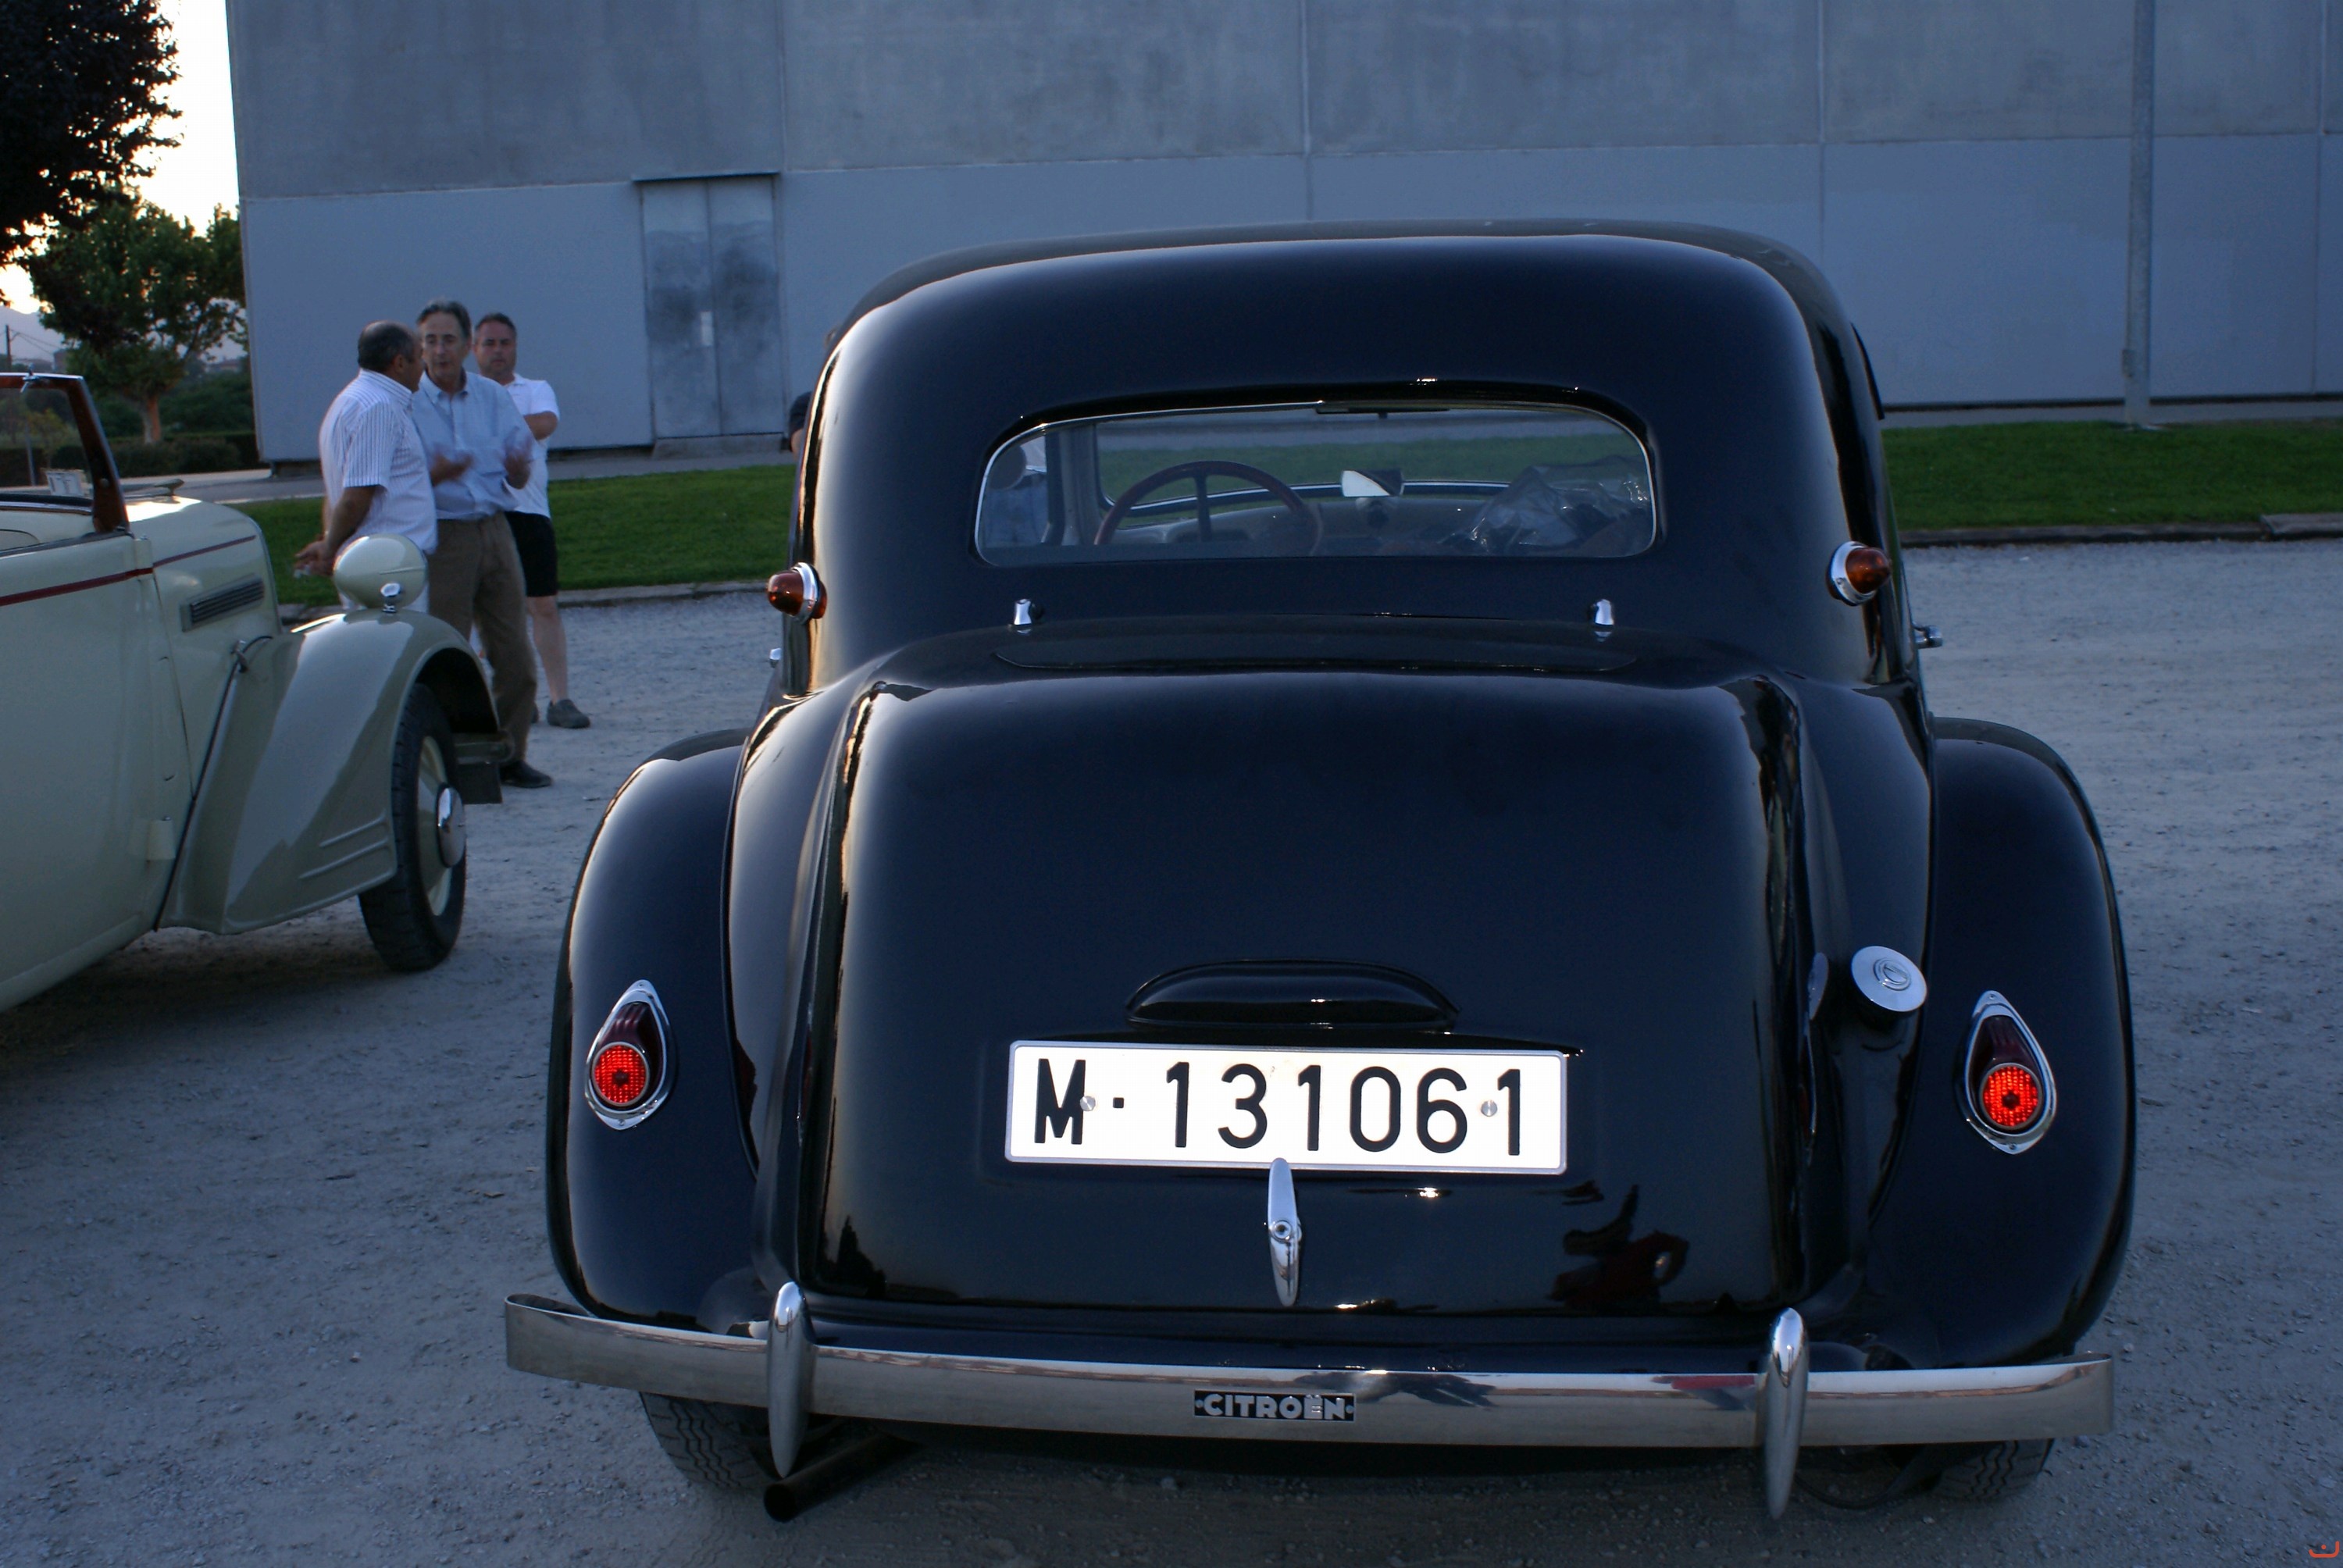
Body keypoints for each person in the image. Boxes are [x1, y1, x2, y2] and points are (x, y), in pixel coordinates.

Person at [408, 297, 549, 789]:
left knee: (516, 657)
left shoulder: (491, 397)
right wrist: (436, 474)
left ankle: (509, 756)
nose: (439, 351)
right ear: (419, 346)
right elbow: (396, 483)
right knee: (447, 653)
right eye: (430, 341)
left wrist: (517, 469)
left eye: (448, 340)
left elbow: (520, 467)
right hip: (444, 536)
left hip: (494, 529)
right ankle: (451, 765)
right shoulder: (408, 403)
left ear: (467, 345)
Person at [474, 312, 587, 728]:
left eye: (504, 343)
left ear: (515, 347)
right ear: (475, 349)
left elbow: (545, 423)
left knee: (544, 605)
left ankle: (561, 699)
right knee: (487, 613)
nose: (497, 351)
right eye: (489, 343)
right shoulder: (465, 395)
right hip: (482, 515)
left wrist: (487, 432)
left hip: (530, 513)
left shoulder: (535, 390)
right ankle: (508, 699)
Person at [295, 322, 436, 609]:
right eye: (420, 357)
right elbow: (355, 497)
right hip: (387, 569)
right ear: (399, 363)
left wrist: (330, 542)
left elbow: (335, 493)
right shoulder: (380, 408)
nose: (424, 366)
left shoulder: (349, 400)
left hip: (372, 565)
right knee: (396, 639)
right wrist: (329, 548)